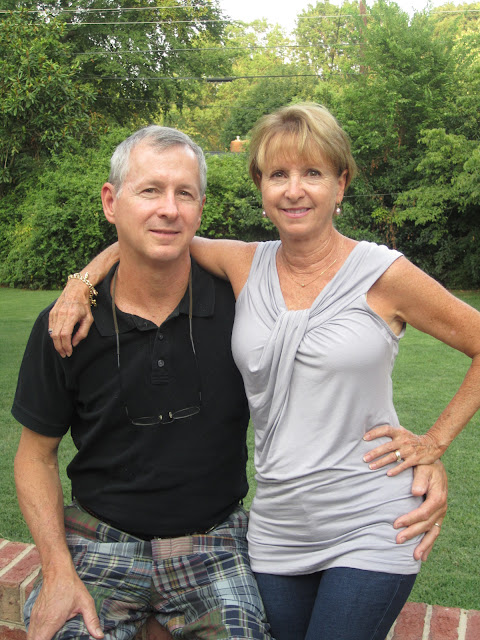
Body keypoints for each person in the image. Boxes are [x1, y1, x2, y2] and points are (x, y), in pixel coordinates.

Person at [45, 114, 450, 640]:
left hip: (371, 516)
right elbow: (151, 232)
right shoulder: (244, 264)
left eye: (313, 173)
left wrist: (435, 443)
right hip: (277, 527)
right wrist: (82, 281)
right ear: (261, 187)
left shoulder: (383, 273)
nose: (294, 190)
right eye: (278, 174)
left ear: (341, 183)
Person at [12, 126, 274, 640]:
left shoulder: (244, 310)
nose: (169, 209)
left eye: (185, 194)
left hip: (214, 546)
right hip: (97, 543)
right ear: (111, 202)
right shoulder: (67, 326)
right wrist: (58, 568)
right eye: (150, 190)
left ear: (200, 209)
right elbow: (35, 455)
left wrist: (424, 448)